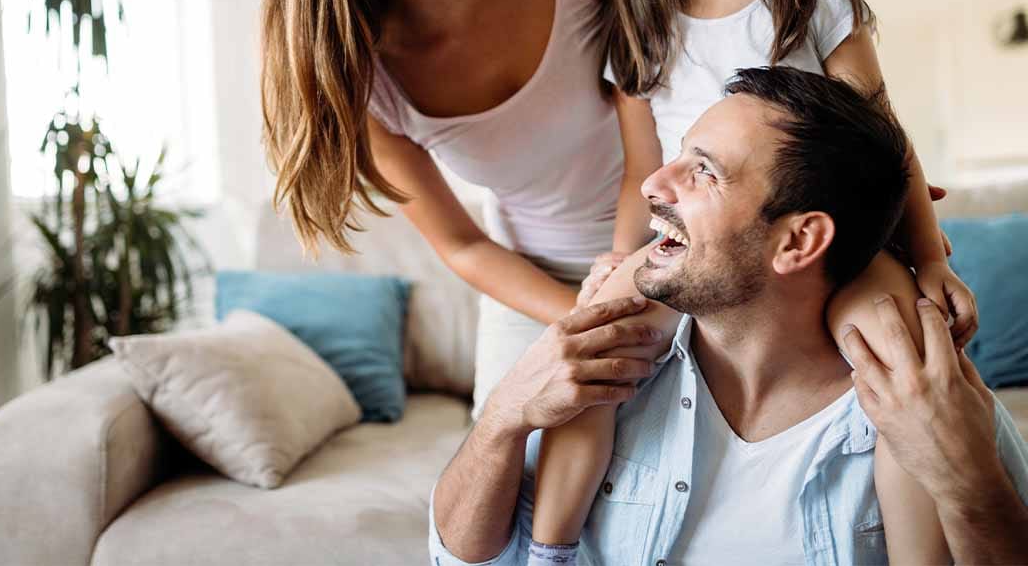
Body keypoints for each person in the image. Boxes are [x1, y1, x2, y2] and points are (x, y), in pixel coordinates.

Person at [531, 0, 976, 561]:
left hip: (835, 242)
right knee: (595, 343)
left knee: (898, 351)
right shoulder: (641, 28)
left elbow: (887, 140)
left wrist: (929, 258)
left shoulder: (814, 0)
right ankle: (549, 547)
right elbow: (644, 166)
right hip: (695, 242)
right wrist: (619, 257)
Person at [430, 67, 1028, 566]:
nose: (654, 185)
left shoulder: (933, 407)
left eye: (705, 172)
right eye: (677, 155)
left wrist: (967, 486)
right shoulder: (606, 371)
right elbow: (461, 560)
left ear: (798, 242)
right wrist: (503, 418)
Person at [259, 0, 679, 416]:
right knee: (506, 469)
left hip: (673, 237)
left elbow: (675, 80)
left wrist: (625, 279)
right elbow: (463, 245)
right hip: (535, 284)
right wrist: (583, 318)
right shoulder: (369, 87)